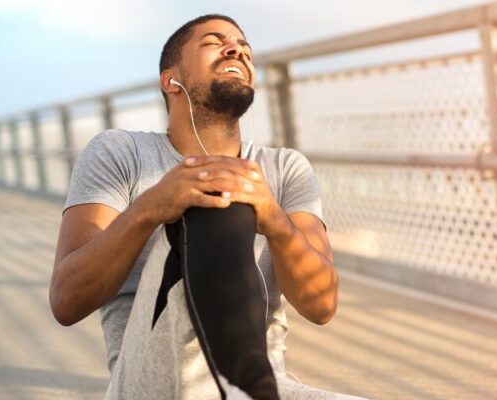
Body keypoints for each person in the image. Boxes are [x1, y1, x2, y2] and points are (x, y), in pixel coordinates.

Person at [50, 14, 361, 399]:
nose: (238, 49)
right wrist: (152, 207)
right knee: (215, 190)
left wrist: (273, 219)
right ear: (170, 79)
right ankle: (243, 383)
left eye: (244, 47)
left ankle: (245, 383)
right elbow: (66, 300)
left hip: (267, 386)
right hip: (155, 383)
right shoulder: (120, 152)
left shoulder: (285, 168)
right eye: (214, 42)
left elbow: (321, 306)